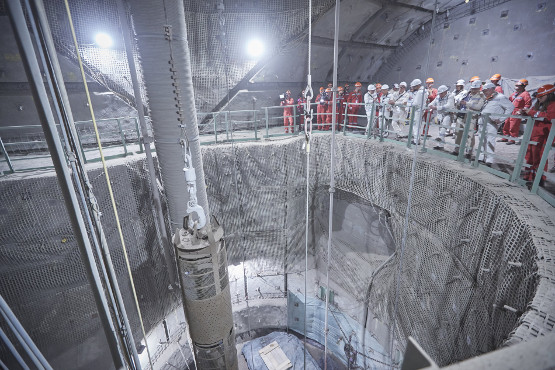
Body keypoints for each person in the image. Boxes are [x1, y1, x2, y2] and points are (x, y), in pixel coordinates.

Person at [522, 84, 555, 184]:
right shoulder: (539, 104)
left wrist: (532, 113)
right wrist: (525, 112)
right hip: (534, 133)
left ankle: (539, 178)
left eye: (541, 97)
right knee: (529, 156)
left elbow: (550, 117)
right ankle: (529, 176)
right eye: (538, 97)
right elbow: (532, 112)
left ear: (549, 95)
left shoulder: (552, 105)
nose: (539, 99)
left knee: (539, 156)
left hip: (543, 135)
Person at [477, 82, 513, 165]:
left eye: (486, 90)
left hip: (491, 122)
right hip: (482, 120)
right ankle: (481, 157)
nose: (484, 92)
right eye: (484, 91)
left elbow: (510, 107)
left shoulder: (501, 97)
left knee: (490, 140)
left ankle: (489, 160)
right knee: (481, 140)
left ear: (492, 89)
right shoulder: (488, 98)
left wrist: (501, 119)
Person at [456, 79, 486, 157]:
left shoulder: (481, 96)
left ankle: (469, 152)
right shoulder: (466, 93)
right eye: (472, 88)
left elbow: (478, 107)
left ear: (479, 88)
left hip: (472, 118)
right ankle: (456, 149)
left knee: (470, 135)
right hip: (462, 115)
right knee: (458, 133)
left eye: (475, 89)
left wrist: (467, 104)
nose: (473, 90)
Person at [500, 79, 532, 145]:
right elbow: (509, 101)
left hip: (517, 112)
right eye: (516, 85)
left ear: (523, 86)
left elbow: (528, 104)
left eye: (518, 86)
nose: (516, 87)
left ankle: (513, 139)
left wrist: (522, 111)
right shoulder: (515, 94)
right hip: (510, 111)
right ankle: (505, 137)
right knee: (506, 124)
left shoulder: (525, 94)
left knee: (513, 126)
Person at [429, 85, 454, 149]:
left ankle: (440, 140)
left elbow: (449, 105)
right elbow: (432, 103)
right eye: (439, 93)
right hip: (440, 115)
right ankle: (440, 145)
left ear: (445, 92)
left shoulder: (450, 96)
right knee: (440, 129)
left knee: (443, 129)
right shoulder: (438, 97)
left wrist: (437, 107)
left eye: (441, 93)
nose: (440, 95)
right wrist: (430, 105)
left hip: (447, 115)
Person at [409, 78, 427, 144]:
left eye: (414, 86)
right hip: (421, 110)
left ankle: (416, 140)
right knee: (418, 126)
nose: (413, 88)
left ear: (417, 85)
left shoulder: (419, 92)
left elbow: (415, 103)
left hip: (417, 111)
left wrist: (409, 103)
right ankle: (417, 139)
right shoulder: (425, 91)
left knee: (415, 126)